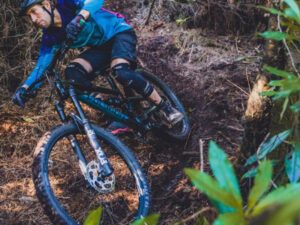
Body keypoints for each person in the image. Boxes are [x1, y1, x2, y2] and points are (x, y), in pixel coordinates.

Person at [12, 0, 184, 133]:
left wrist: (80, 17)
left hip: (118, 32)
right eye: (30, 16)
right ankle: (117, 114)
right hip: (100, 48)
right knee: (73, 75)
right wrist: (25, 88)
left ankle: (165, 108)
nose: (34, 19)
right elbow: (42, 66)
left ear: (47, 5)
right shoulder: (49, 37)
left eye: (34, 12)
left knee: (121, 72)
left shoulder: (67, 4)